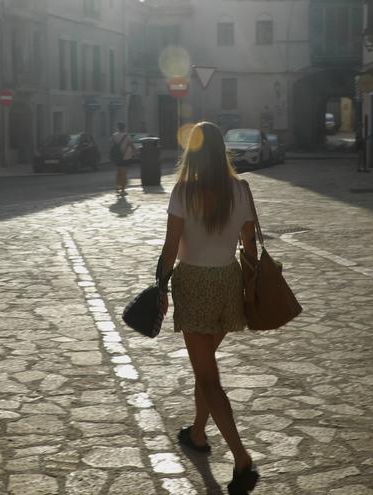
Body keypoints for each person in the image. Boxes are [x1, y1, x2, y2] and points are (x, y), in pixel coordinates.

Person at [159, 121, 260, 494]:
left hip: (195, 284)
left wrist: (159, 287)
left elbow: (171, 247)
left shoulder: (184, 191)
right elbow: (249, 248)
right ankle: (198, 434)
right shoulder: (241, 190)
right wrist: (249, 290)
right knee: (207, 368)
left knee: (208, 376)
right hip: (228, 283)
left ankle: (241, 457)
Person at [111, 122, 137, 195]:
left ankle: (117, 185)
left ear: (118, 128)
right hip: (125, 156)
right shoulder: (126, 136)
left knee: (118, 171)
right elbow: (131, 145)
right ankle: (123, 189)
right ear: (124, 128)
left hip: (117, 157)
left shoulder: (114, 135)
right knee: (124, 173)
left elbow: (111, 145)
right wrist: (135, 152)